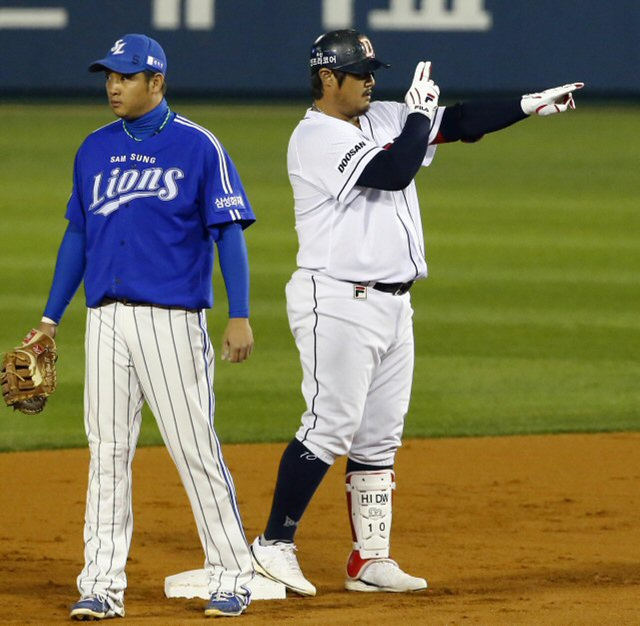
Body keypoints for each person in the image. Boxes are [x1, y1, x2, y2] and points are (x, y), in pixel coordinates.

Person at [250, 29, 583, 595]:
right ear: (328, 80)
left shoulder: (381, 116)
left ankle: (370, 560)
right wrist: (416, 118)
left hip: (393, 302)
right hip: (336, 298)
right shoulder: (314, 138)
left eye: (373, 71)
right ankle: (272, 546)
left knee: (379, 437)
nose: (372, 81)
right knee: (329, 426)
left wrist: (527, 105)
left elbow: (456, 122)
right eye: (361, 74)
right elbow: (393, 170)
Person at [35, 34, 256, 619]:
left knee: (193, 449)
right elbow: (77, 235)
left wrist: (239, 314)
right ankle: (102, 586)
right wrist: (50, 319)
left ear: (156, 82)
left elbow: (228, 233)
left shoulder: (198, 145)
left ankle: (233, 574)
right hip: (105, 321)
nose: (113, 85)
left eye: (126, 76)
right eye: (108, 75)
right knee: (106, 452)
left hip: (173, 323)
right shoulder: (93, 148)